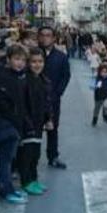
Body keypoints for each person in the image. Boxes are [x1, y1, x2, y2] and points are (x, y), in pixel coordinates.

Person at [0, 45, 29, 205]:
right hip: (5, 124)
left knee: (9, 159)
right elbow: (1, 101)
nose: (20, 63)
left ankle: (8, 188)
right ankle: (5, 190)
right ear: (9, 59)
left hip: (13, 123)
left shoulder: (20, 76)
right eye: (17, 59)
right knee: (5, 160)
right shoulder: (4, 76)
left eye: (23, 60)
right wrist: (13, 117)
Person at [17, 48, 52, 196]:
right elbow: (21, 105)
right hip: (27, 124)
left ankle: (34, 179)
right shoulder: (25, 80)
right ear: (28, 63)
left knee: (35, 154)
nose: (37, 65)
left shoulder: (44, 79)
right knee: (26, 154)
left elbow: (47, 102)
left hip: (38, 123)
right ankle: (26, 181)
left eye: (40, 61)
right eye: (33, 62)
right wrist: (27, 124)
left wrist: (49, 119)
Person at [37, 26, 70, 169]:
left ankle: (53, 156)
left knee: (53, 128)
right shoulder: (34, 54)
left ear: (54, 38)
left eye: (48, 35)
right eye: (42, 35)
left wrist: (58, 92)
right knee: (33, 130)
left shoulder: (61, 56)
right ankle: (28, 160)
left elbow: (65, 75)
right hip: (35, 98)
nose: (45, 38)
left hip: (53, 99)